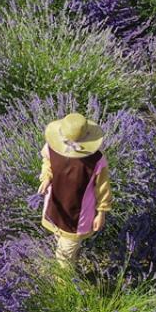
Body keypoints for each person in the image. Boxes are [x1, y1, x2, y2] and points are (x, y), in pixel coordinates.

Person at [37, 113, 112, 269]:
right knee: (61, 240)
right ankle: (72, 265)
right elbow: (47, 162)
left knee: (63, 255)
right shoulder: (53, 146)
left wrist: (101, 212)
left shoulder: (96, 160)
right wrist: (46, 177)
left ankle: (63, 285)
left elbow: (103, 188)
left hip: (78, 214)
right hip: (56, 204)